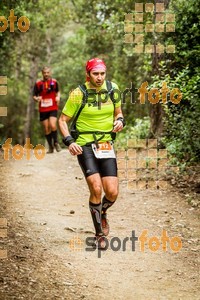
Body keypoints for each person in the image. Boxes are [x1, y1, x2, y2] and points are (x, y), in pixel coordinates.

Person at [59, 58, 125, 249]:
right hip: (84, 145)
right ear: (87, 74)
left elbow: (119, 113)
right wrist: (69, 141)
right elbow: (63, 120)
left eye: (102, 73)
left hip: (105, 144)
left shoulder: (113, 89)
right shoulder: (78, 93)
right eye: (95, 74)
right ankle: (98, 235)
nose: (99, 77)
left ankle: (102, 212)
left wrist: (120, 121)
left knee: (112, 192)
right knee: (96, 188)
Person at [33, 66, 61, 153]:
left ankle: (56, 142)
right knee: (46, 128)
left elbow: (58, 91)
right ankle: (50, 146)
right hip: (43, 109)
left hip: (53, 107)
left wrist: (58, 97)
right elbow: (34, 95)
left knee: (53, 125)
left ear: (50, 73)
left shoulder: (54, 82)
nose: (46, 74)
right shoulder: (38, 84)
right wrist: (36, 99)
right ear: (42, 73)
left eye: (47, 72)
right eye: (44, 73)